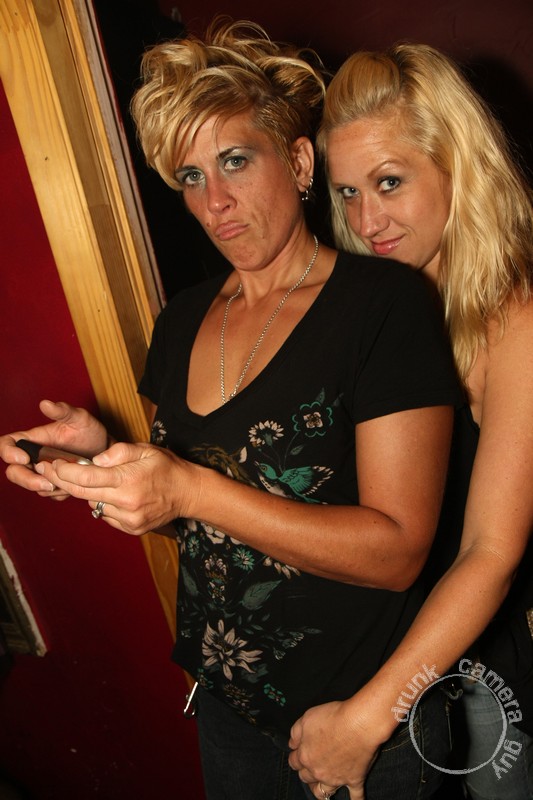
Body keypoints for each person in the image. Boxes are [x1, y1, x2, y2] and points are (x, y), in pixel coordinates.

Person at [0, 21, 462, 800]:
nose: (214, 201)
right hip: (228, 713)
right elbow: (199, 520)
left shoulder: (381, 306)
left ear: (300, 161)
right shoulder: (180, 320)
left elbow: (397, 553)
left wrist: (186, 488)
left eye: (236, 161)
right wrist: (100, 465)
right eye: (189, 176)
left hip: (361, 724)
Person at [288, 43, 533, 800]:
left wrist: (366, 720)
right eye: (347, 192)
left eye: (389, 182)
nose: (366, 221)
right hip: (412, 647)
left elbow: (490, 552)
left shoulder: (516, 319)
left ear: (458, 165)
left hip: (497, 656)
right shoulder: (381, 311)